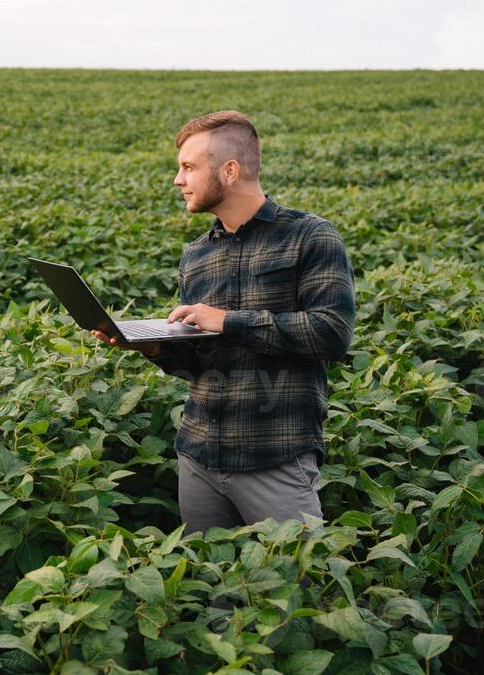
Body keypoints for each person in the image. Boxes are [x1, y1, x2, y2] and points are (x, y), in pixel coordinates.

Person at [93, 110, 355, 535]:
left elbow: (331, 333)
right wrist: (155, 347)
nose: (178, 180)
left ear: (230, 171)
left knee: (297, 587)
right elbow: (200, 365)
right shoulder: (196, 256)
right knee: (211, 592)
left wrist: (229, 321)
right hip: (197, 457)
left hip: (274, 459)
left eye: (188, 167)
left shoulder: (310, 236)